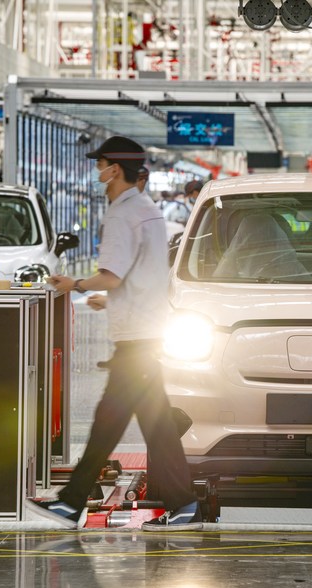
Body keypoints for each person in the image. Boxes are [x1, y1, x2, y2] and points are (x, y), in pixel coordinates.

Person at [28, 135, 199, 529]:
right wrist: (115, 301)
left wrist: (75, 285)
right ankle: (183, 504)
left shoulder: (122, 213)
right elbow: (144, 276)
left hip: (136, 340)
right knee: (153, 426)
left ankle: (72, 503)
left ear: (115, 169)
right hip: (147, 330)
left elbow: (113, 275)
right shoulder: (149, 210)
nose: (98, 172)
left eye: (100, 164)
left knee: (110, 423)